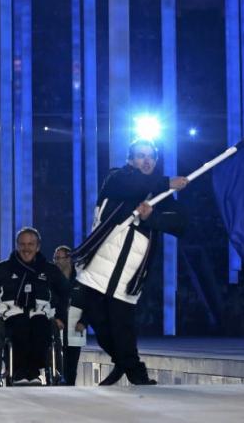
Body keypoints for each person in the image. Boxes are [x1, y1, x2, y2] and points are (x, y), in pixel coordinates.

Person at [74, 139, 188, 386]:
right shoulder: (116, 178)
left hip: (128, 275)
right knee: (100, 325)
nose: (146, 161)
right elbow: (130, 186)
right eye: (140, 156)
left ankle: (136, 374)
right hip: (98, 269)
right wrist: (167, 181)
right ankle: (124, 364)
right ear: (130, 160)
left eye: (150, 157)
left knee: (123, 328)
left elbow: (180, 224)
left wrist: (151, 217)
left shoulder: (161, 194)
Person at [0, 227, 70, 385]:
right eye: (22, 244)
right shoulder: (2, 268)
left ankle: (33, 371)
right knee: (20, 325)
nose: (26, 249)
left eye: (30, 244)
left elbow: (65, 292)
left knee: (41, 327)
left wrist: (60, 317)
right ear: (17, 246)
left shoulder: (49, 270)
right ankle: (19, 372)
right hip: (11, 316)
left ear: (38, 247)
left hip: (40, 315)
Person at [53, 245, 86, 386]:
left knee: (71, 370)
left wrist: (84, 321)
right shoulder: (51, 280)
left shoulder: (81, 280)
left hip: (75, 330)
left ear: (69, 259)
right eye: (56, 258)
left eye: (60, 258)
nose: (57, 261)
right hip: (56, 330)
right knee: (56, 368)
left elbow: (89, 304)